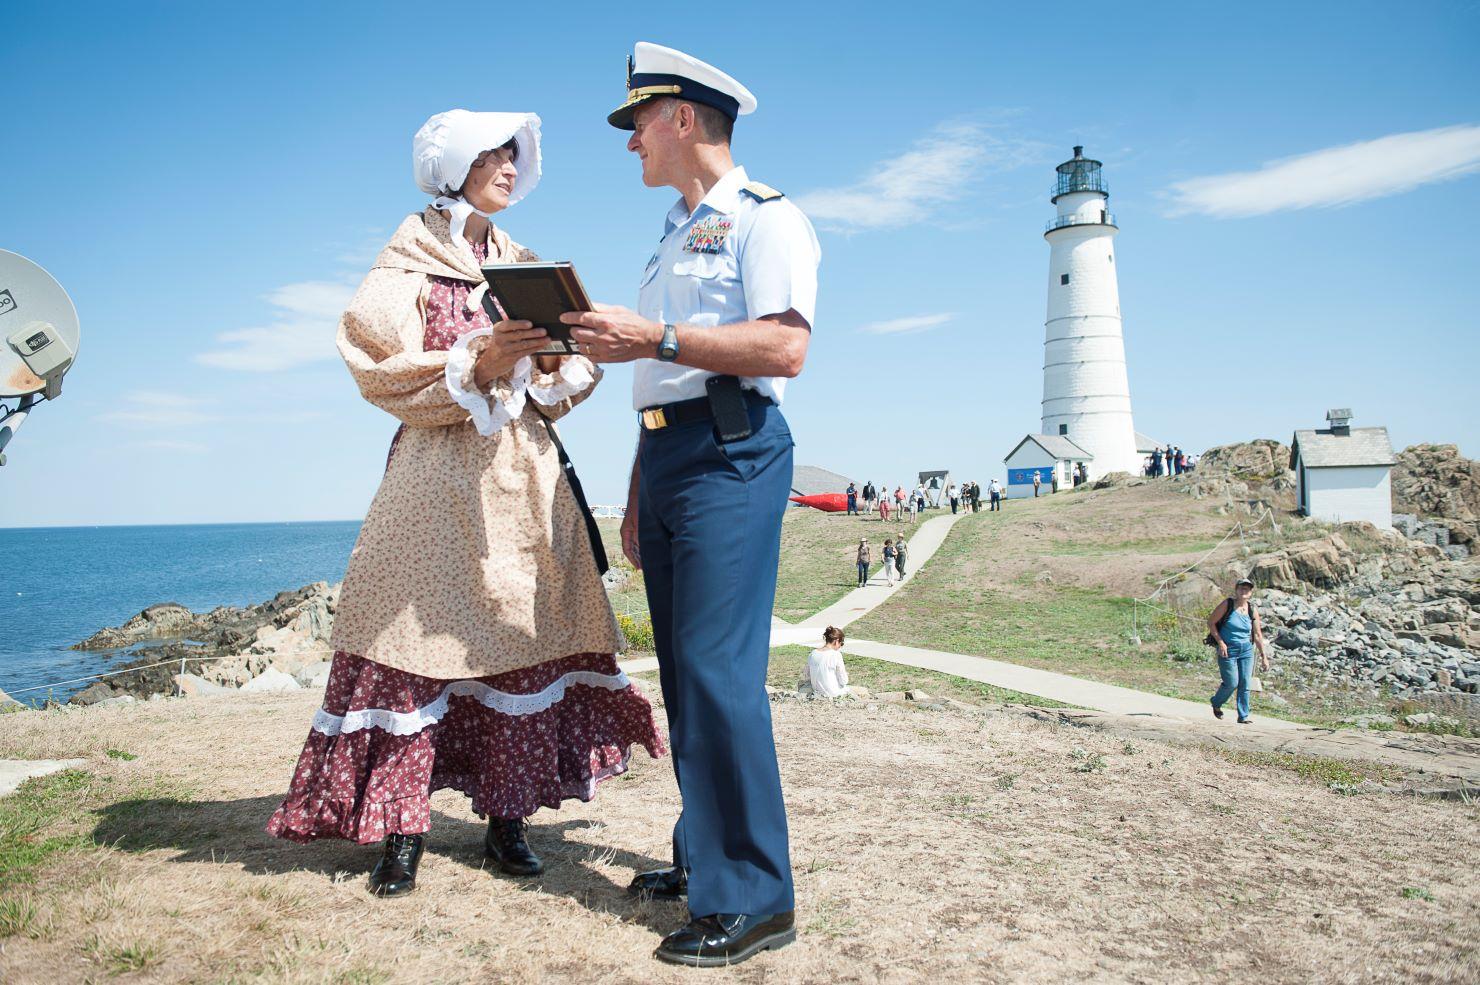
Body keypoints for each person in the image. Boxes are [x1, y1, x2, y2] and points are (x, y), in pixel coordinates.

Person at [267, 110, 664, 898]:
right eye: (495, 156)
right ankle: (402, 831)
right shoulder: (409, 258)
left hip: (522, 479)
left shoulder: (522, 263)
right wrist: (476, 358)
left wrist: (552, 357)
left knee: (520, 635)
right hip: (437, 474)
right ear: (455, 165)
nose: (512, 169)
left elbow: (558, 383)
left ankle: (506, 820)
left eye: (516, 157)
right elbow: (375, 362)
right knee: (412, 635)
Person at [563, 42, 819, 966]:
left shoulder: (766, 220)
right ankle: (704, 856)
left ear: (679, 116)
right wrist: (636, 490)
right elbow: (656, 379)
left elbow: (785, 350)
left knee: (718, 670)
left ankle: (756, 898)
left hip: (732, 451)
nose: (629, 140)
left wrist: (657, 333)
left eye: (636, 122)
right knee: (681, 673)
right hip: (670, 455)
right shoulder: (674, 232)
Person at [1207, 578, 1270, 724]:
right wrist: (1221, 643)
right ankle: (1216, 702)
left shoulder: (1252, 609)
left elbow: (1258, 634)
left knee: (1245, 683)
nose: (1244, 591)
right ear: (1236, 590)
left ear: (1251, 592)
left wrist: (1263, 657)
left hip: (1246, 650)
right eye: (1241, 588)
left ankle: (1243, 716)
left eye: (1247, 589)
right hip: (1228, 649)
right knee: (1232, 682)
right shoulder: (1227, 604)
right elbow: (1211, 623)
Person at [806, 626, 850, 698]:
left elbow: (807, 676)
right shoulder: (836, 654)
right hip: (832, 693)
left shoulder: (813, 653)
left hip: (816, 692)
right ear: (836, 641)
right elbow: (844, 681)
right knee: (847, 689)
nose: (840, 647)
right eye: (841, 644)